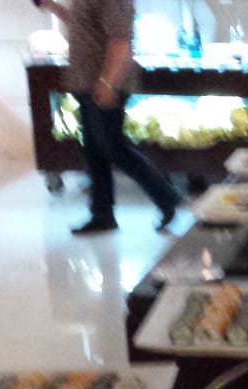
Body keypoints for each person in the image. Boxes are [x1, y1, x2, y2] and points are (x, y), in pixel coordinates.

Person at [36, 0, 181, 234]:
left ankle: (166, 196)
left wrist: (108, 83)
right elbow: (81, 25)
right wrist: (51, 6)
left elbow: (120, 41)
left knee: (113, 148)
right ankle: (102, 214)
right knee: (95, 152)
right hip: (88, 84)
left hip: (105, 84)